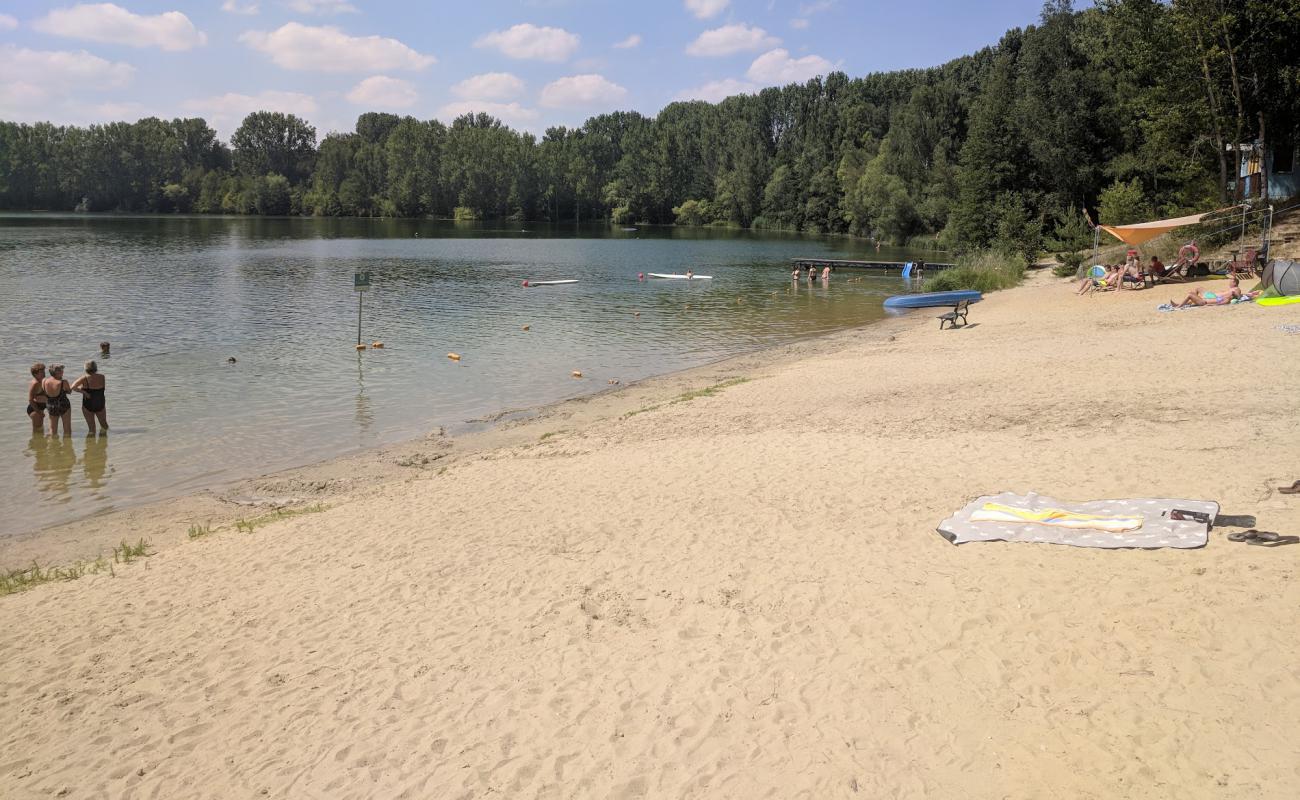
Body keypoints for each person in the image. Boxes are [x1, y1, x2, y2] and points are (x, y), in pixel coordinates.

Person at [1171, 277, 1260, 308]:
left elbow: (1239, 296)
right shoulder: (1231, 290)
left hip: (1211, 298)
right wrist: (1250, 294)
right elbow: (1241, 295)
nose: (1229, 282)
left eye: (1231, 281)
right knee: (1197, 290)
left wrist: (1250, 295)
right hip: (1212, 297)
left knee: (1192, 294)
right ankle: (1181, 304)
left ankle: (1179, 305)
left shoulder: (1235, 290)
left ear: (1235, 283)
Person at [71, 360, 108, 435]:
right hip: (100, 402)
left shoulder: (84, 378)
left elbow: (73, 387)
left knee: (91, 429)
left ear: (85, 369)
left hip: (88, 403)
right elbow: (102, 388)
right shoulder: (102, 377)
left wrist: (84, 392)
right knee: (104, 425)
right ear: (96, 368)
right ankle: (104, 442)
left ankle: (90, 445)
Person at [42, 363, 72, 435]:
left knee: (52, 428)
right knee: (67, 428)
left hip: (51, 405)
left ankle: (53, 444)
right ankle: (67, 445)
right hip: (63, 405)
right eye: (61, 370)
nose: (63, 372)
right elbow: (69, 391)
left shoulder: (44, 381)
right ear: (58, 372)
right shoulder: (63, 382)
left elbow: (45, 392)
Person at [26, 362, 47, 432]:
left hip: (40, 408)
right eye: (41, 372)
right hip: (35, 409)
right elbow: (30, 400)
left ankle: (39, 442)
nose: (44, 373)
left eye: (44, 371)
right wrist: (39, 412)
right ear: (35, 374)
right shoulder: (35, 383)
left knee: (40, 429)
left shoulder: (42, 381)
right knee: (37, 431)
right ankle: (35, 442)